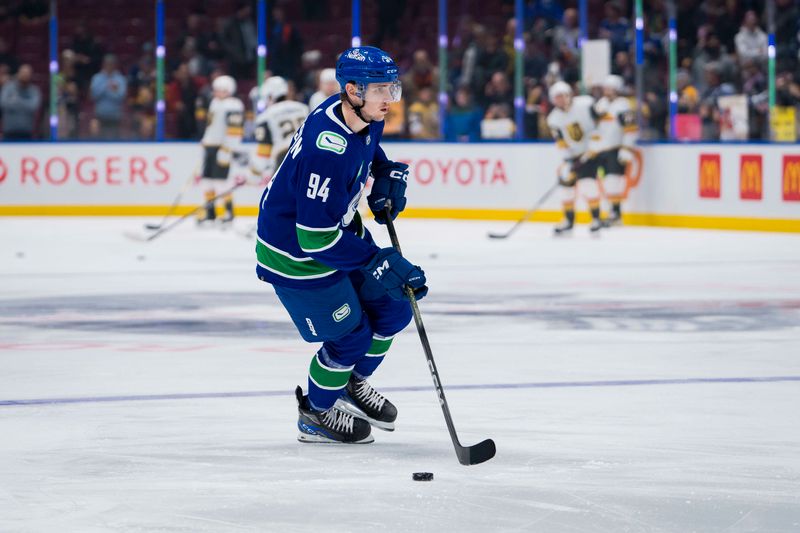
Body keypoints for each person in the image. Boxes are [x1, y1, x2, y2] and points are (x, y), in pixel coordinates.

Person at [255, 46, 428, 444]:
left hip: (339, 231)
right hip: (295, 253)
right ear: (352, 89)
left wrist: (385, 172)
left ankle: (350, 384)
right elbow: (313, 239)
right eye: (380, 90)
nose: (390, 99)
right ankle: (315, 413)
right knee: (350, 336)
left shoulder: (362, 112)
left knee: (395, 306)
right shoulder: (325, 149)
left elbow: (368, 148)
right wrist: (376, 260)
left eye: (392, 88)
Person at [546, 81, 603, 234]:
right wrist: (569, 162)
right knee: (566, 188)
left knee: (588, 184)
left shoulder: (585, 104)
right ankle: (568, 220)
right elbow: (561, 143)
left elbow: (601, 124)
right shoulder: (553, 119)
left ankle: (596, 219)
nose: (561, 99)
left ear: (569, 95)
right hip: (573, 156)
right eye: (557, 97)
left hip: (591, 152)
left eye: (564, 95)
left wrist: (594, 147)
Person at [198, 75, 244, 223]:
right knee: (207, 181)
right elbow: (212, 126)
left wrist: (227, 150)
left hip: (222, 148)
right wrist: (206, 140)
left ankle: (229, 211)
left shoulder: (233, 105)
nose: (215, 93)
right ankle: (210, 212)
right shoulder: (215, 103)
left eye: (218, 90)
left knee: (221, 182)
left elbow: (235, 132)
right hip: (210, 147)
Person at [592, 75, 638, 225]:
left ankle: (616, 213)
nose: (607, 91)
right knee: (606, 181)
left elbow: (630, 129)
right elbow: (596, 128)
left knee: (614, 180)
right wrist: (593, 145)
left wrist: (626, 148)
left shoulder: (622, 105)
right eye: (605, 88)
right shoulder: (601, 104)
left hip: (617, 148)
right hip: (602, 149)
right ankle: (611, 211)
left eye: (610, 88)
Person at [250, 75, 310, 181]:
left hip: (285, 157)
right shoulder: (304, 108)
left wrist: (254, 174)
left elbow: (263, 153)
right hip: (311, 154)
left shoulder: (266, 116)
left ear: (270, 96)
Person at [89, 54, 127, 139]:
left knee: (115, 140)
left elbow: (121, 96)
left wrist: (112, 92)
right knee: (99, 140)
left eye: (111, 64)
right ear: (103, 64)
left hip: (115, 116)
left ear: (115, 65)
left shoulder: (120, 79)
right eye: (107, 63)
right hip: (100, 115)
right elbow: (94, 95)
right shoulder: (97, 78)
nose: (109, 66)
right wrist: (107, 86)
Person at [0, 64, 41, 140]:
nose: (25, 76)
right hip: (9, 132)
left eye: (27, 74)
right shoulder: (8, 88)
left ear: (30, 75)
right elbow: (3, 104)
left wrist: (16, 100)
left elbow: (33, 107)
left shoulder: (34, 91)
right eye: (23, 73)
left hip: (27, 133)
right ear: (18, 73)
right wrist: (25, 103)